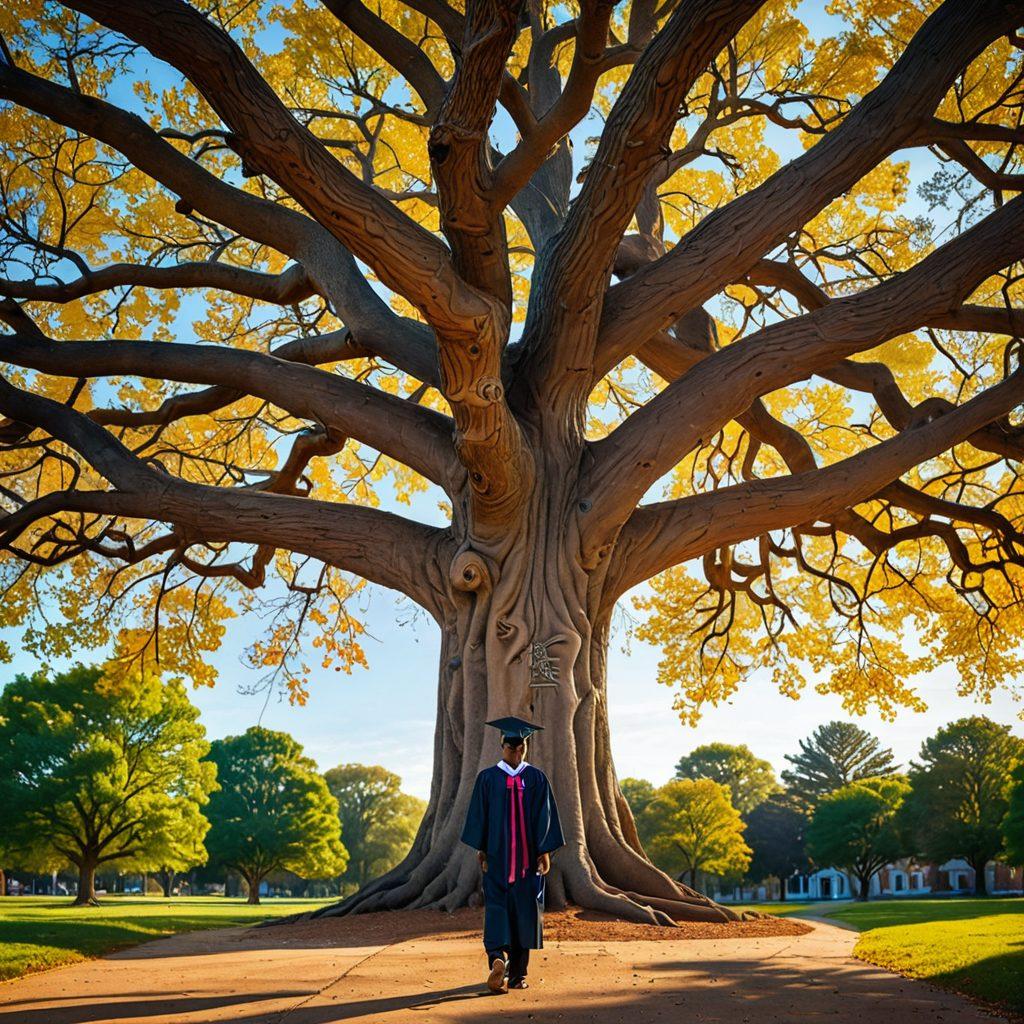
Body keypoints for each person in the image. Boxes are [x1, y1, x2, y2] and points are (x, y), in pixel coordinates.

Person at [460, 715, 564, 994]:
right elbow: (479, 817)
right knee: (498, 911)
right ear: (501, 745)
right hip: (497, 860)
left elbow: (545, 816)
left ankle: (510, 969)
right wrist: (482, 851)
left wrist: (544, 852)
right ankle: (501, 963)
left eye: (521, 748)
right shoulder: (488, 778)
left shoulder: (536, 778)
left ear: (526, 748)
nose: (516, 752)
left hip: (527, 863)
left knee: (523, 915)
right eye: (511, 747)